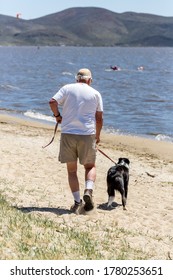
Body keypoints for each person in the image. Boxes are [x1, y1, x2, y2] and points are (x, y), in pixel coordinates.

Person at [49, 68, 103, 214]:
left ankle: (77, 202)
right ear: (90, 80)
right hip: (87, 134)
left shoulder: (67, 88)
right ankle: (89, 190)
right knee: (90, 166)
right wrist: (97, 136)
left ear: (76, 79)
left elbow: (52, 101)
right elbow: (99, 119)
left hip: (68, 134)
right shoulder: (95, 93)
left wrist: (57, 116)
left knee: (72, 171)